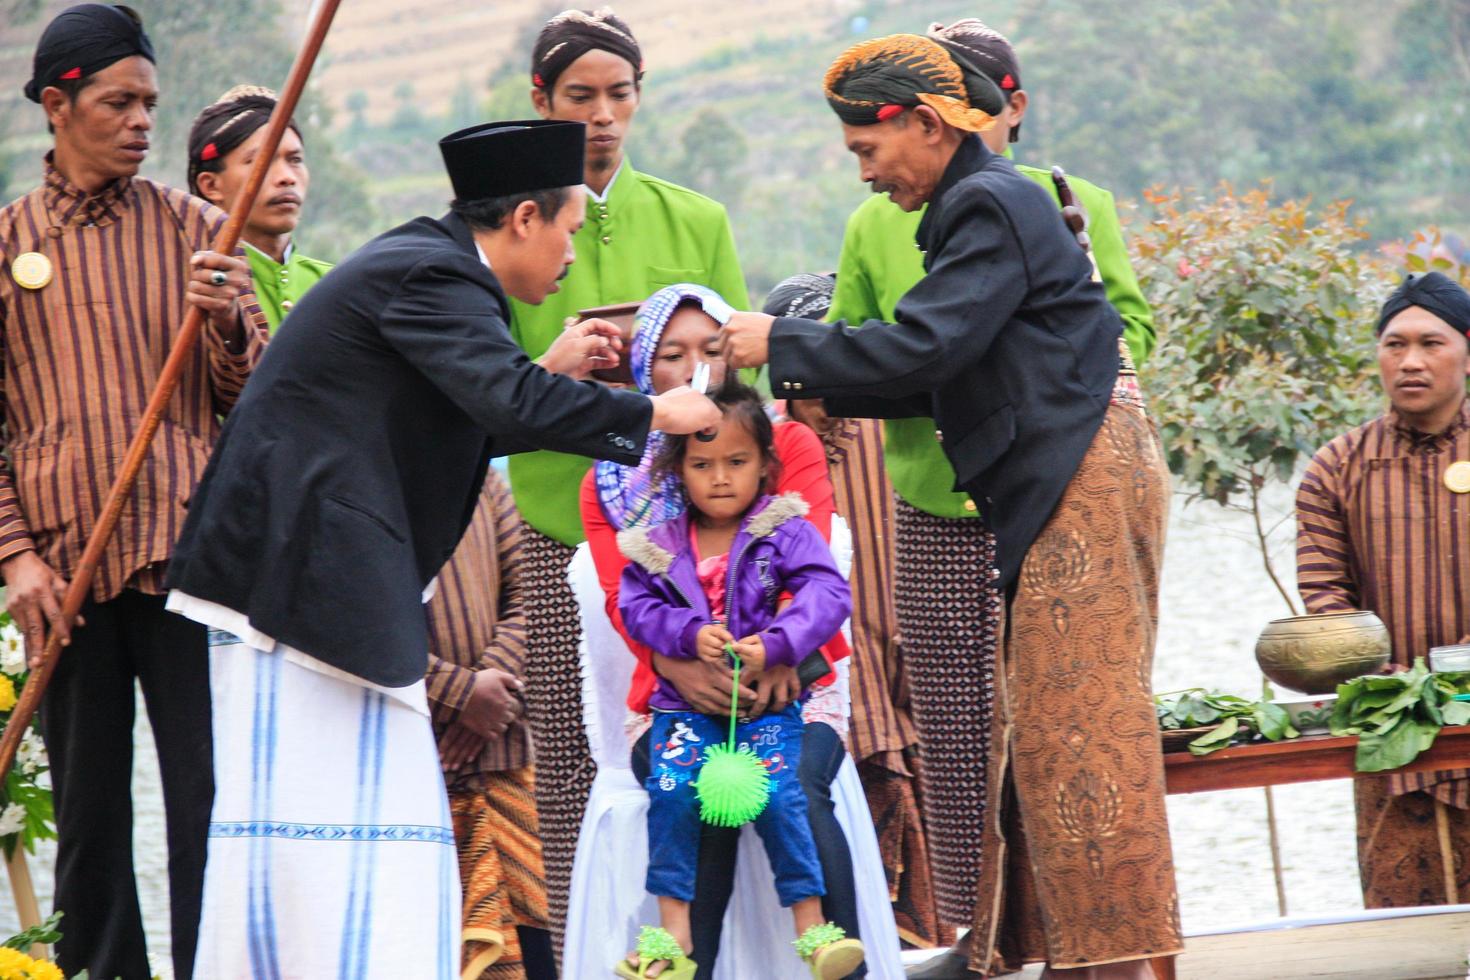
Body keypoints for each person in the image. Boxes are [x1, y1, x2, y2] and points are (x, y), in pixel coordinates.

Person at [160, 118, 720, 974]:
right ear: (525, 218)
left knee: (352, 815)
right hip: (299, 577)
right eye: (568, 231)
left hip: (312, 573)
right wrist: (652, 415)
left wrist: (552, 377)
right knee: (320, 820)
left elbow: (472, 397)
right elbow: (503, 401)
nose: (573, 254)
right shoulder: (437, 273)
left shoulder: (434, 271)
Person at [719, 33, 1180, 979]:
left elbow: (926, 350)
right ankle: (1057, 950)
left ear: (926, 123)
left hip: (1078, 479)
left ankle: (1118, 962)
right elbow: (944, 369)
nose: (867, 176)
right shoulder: (983, 205)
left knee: (1084, 730)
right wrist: (812, 382)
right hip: (1060, 477)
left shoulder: (990, 202)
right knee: (1044, 729)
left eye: (867, 151)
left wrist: (781, 341)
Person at [2, 6, 267, 976]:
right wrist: (16, 558)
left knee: (208, 802)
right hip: (60, 577)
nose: (141, 121)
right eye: (119, 101)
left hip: (187, 565)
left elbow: (252, 399)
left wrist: (225, 321)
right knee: (88, 815)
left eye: (151, 102)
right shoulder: (5, 249)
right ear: (58, 104)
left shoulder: (198, 229)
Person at [509, 8, 751, 942]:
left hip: (690, 537)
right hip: (558, 525)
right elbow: (485, 385)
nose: (603, 115)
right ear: (541, 101)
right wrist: (557, 368)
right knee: (576, 756)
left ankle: (720, 945)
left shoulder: (696, 218)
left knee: (700, 741)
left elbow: (736, 383)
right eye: (580, 97)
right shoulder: (514, 227)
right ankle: (596, 949)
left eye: (619, 94)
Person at [579, 283, 872, 979]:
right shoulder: (613, 482)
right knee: (692, 787)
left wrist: (778, 655)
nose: (693, 369)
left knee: (796, 779)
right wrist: (686, 667)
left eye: (711, 349)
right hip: (672, 694)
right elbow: (630, 601)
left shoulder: (782, 442)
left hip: (792, 687)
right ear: (647, 370)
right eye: (672, 356)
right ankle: (683, 960)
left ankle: (835, 957)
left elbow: (818, 572)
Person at [766, 274, 946, 952]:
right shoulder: (766, 452)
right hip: (834, 684)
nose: (813, 382)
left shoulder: (892, 427)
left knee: (946, 844)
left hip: (914, 672)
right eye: (799, 367)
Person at [1297, 271, 1470, 907]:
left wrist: (1459, 684)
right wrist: (1396, 688)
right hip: (1388, 731)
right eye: (1394, 345)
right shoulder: (1336, 468)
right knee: (1403, 937)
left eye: (1432, 343)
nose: (1411, 361)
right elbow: (1325, 599)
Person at [428, 469, 556, 980]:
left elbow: (528, 598)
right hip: (422, 764)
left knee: (536, 938)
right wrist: (460, 695)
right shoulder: (371, 484)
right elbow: (361, 628)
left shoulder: (484, 482)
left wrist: (486, 697)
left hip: (503, 753)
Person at [186, 84, 330, 332]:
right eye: (261, 162)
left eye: (295, 160)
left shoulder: (335, 284)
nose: (287, 177)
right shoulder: (195, 289)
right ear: (211, 185)